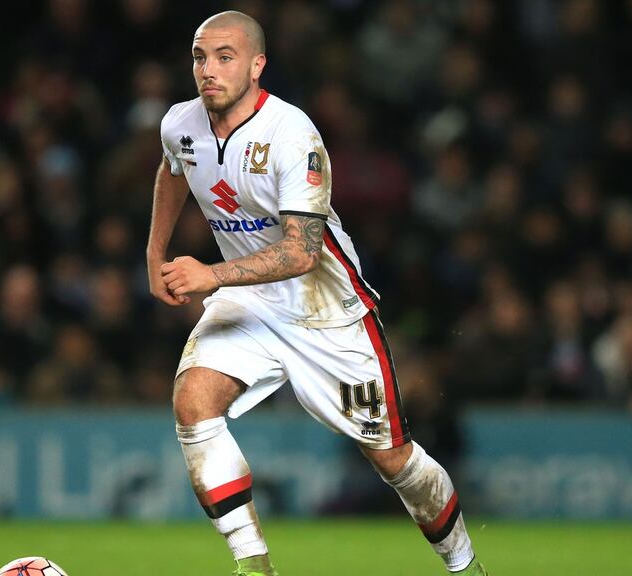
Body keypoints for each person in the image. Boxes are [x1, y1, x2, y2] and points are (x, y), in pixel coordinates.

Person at [147, 11, 486, 576]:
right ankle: (254, 567)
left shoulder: (292, 133)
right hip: (252, 301)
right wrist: (154, 255)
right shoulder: (180, 123)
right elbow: (172, 171)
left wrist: (210, 274)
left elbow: (303, 252)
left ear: (257, 65)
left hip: (325, 310)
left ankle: (465, 566)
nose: (208, 69)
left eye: (224, 56)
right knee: (192, 403)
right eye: (200, 57)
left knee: (393, 459)